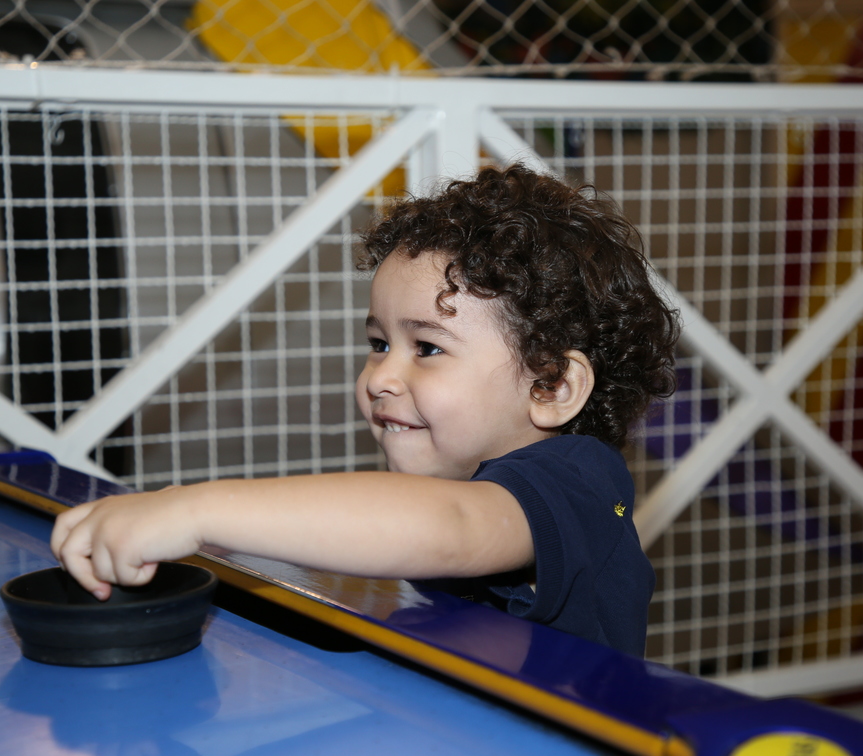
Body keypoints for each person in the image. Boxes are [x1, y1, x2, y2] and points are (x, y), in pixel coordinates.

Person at [50, 164, 681, 656]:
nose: (381, 376)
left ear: (552, 385)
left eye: (427, 348)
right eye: (379, 344)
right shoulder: (458, 478)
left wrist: (193, 510)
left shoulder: (578, 481)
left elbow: (450, 529)